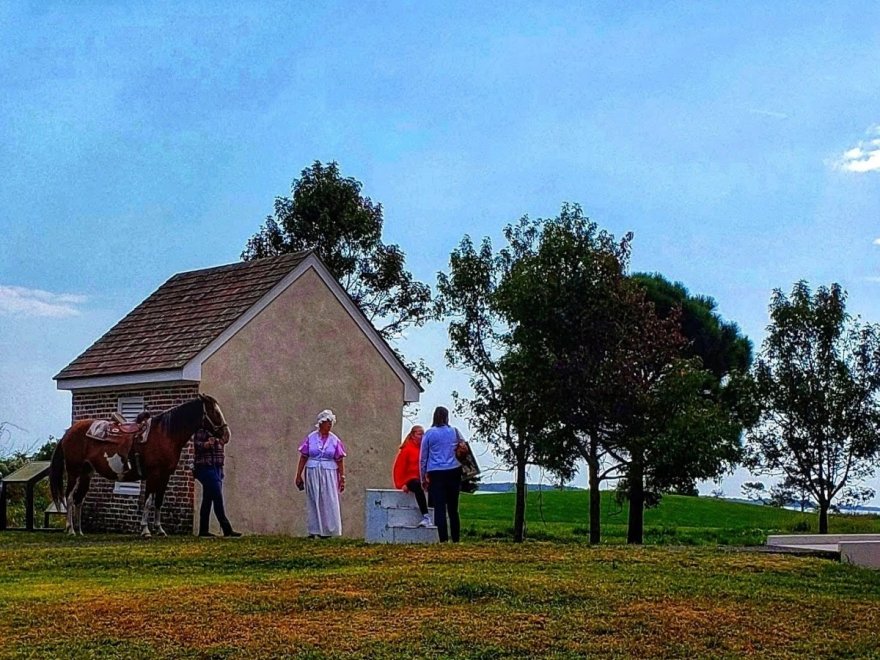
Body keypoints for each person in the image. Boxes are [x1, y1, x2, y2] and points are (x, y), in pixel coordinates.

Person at [295, 409, 347, 538]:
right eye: (327, 422)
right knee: (314, 498)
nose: (329, 425)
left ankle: (329, 530)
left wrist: (342, 477)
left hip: (329, 471)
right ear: (321, 423)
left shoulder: (335, 440)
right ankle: (314, 530)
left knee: (329, 498)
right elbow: (303, 456)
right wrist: (298, 475)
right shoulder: (311, 438)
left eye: (331, 423)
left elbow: (339, 459)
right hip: (313, 471)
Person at [419, 406, 463, 542]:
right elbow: (463, 445)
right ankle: (456, 538)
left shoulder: (429, 433)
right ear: (446, 416)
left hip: (436, 472)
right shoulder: (454, 431)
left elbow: (423, 457)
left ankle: (442, 539)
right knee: (453, 508)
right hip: (454, 470)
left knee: (439, 507)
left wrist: (423, 477)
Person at [192, 427, 241, 537]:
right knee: (217, 496)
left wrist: (223, 438)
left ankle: (203, 530)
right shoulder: (201, 430)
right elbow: (197, 445)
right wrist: (207, 444)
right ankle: (227, 528)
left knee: (207, 499)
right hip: (205, 467)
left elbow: (226, 438)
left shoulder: (219, 431)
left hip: (217, 468)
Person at [393, 425, 431, 527]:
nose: (422, 436)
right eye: (419, 434)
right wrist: (402, 484)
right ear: (413, 435)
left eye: (423, 434)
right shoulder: (407, 449)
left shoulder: (424, 449)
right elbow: (399, 468)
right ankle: (426, 516)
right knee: (417, 486)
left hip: (421, 478)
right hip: (410, 479)